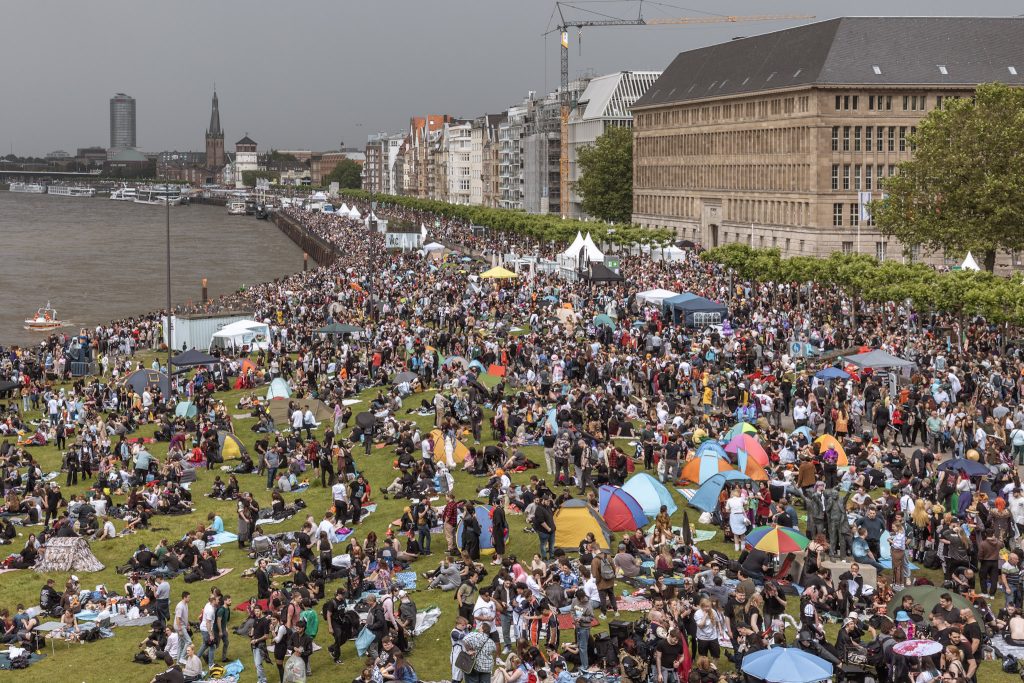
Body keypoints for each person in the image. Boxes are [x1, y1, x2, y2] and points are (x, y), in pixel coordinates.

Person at [173, 592, 191, 663]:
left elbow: (185, 616)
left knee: (180, 644)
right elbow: (178, 618)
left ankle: (178, 662)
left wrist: (188, 624)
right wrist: (180, 629)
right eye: (188, 597)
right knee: (188, 641)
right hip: (179, 626)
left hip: (183, 625)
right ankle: (182, 658)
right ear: (184, 597)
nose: (190, 598)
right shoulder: (180, 606)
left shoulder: (185, 604)